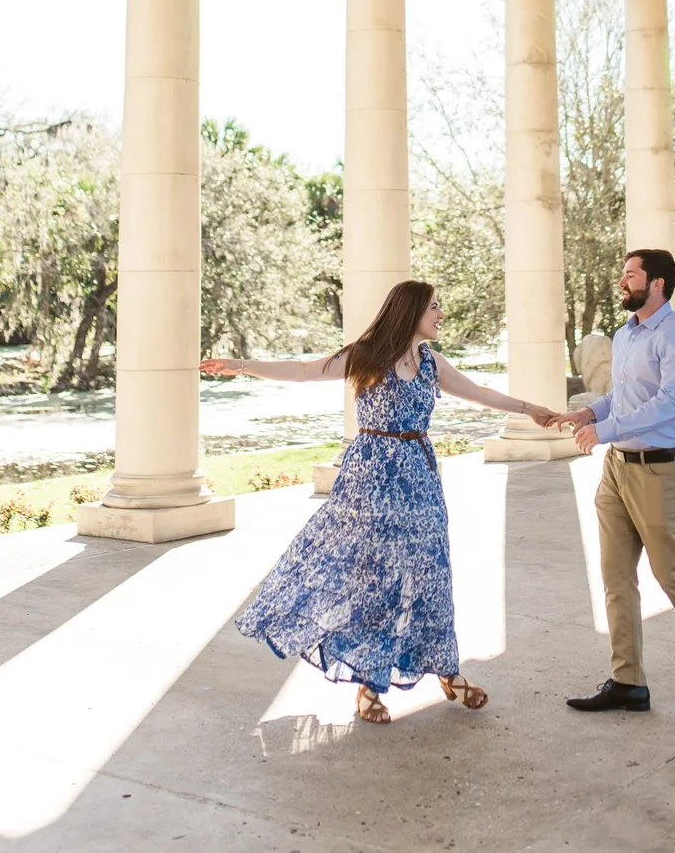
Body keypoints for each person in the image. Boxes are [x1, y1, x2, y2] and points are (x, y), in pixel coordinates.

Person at [200, 279, 561, 724]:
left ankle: (447, 669)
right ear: (411, 312)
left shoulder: (431, 363)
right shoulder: (365, 355)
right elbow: (303, 369)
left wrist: (531, 409)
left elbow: (482, 394)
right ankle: (370, 688)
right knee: (375, 580)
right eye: (434, 307)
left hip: (421, 478)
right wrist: (241, 365)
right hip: (370, 479)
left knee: (431, 573)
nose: (440, 314)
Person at [554, 249, 675, 713]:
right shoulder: (626, 334)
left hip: (664, 471)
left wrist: (606, 430)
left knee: (672, 574)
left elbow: (672, 403)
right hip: (618, 469)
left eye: (630, 275)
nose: (622, 281)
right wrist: (590, 412)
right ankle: (628, 681)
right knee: (616, 575)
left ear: (656, 283)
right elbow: (626, 394)